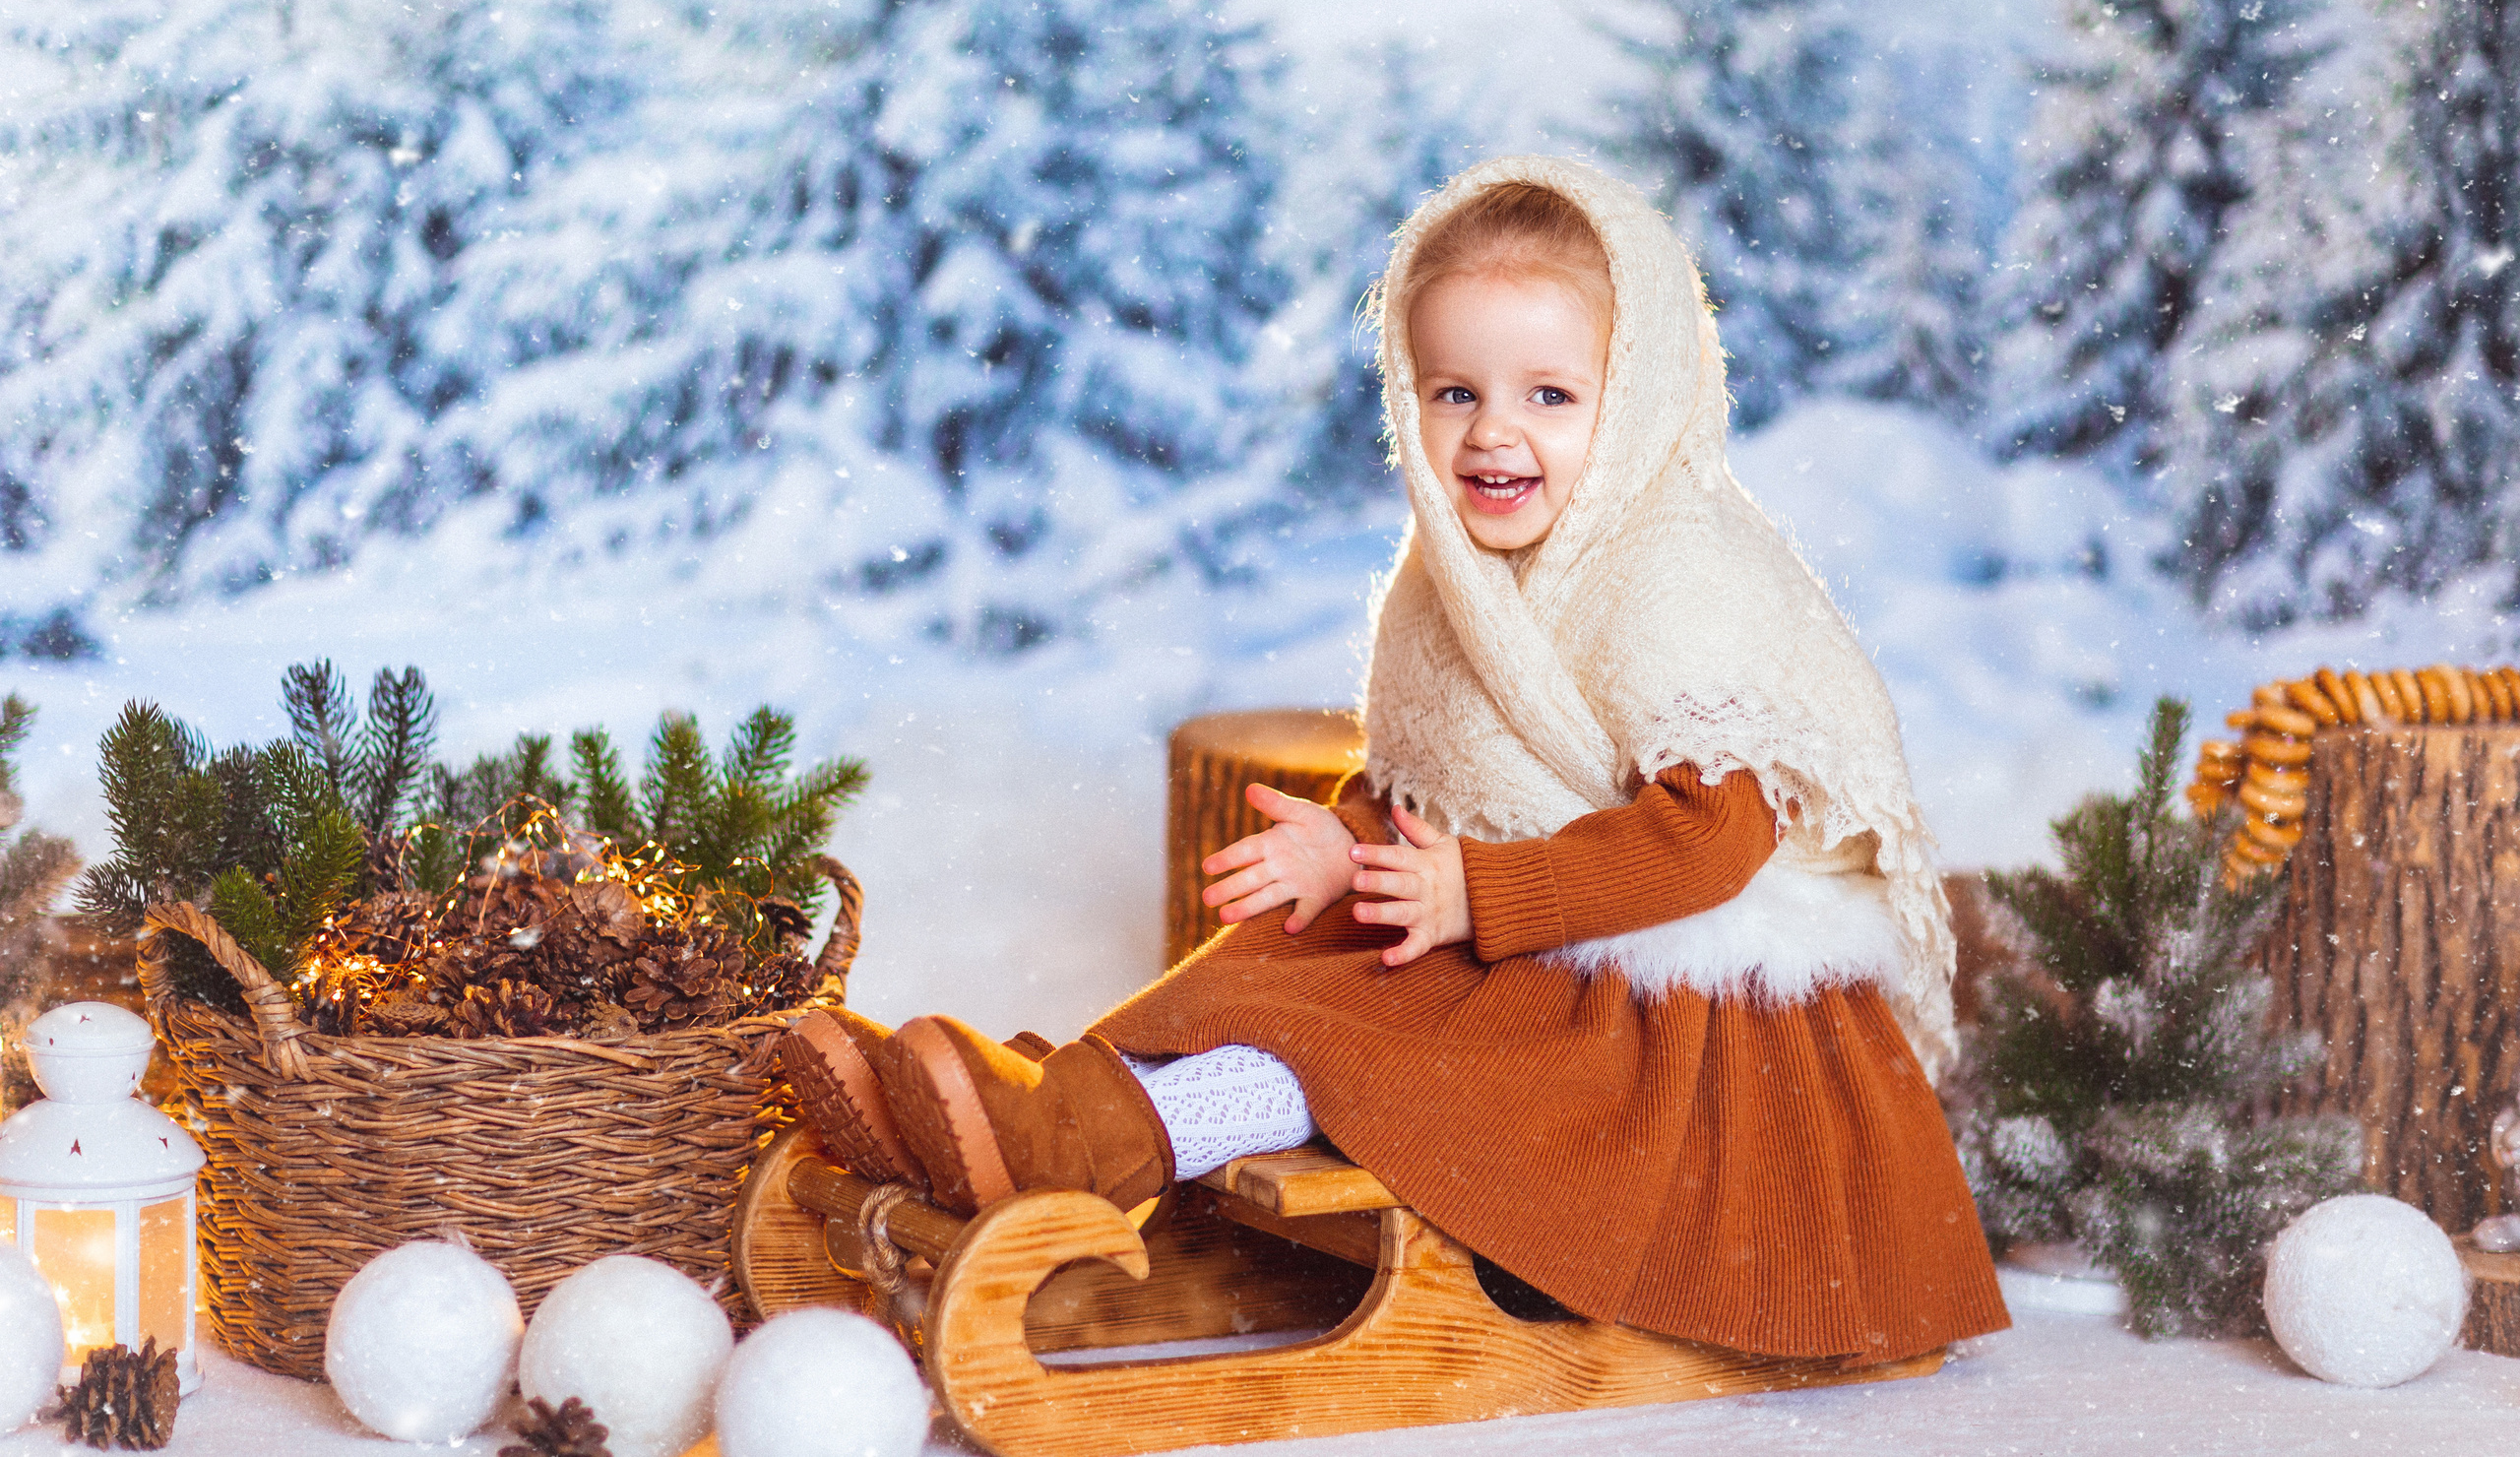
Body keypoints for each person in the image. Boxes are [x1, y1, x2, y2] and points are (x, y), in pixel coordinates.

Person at [787, 155, 2007, 1365]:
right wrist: (1348, 844)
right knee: (1284, 959)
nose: (1492, 436)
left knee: (1355, 1041)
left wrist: (1478, 893)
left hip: (1681, 1015)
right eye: (1453, 393)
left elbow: (1712, 841)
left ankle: (1088, 1140)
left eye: (1549, 396)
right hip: (1534, 929)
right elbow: (1439, 778)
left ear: (1636, 401)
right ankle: (1033, 1118)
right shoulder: (1451, 582)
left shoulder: (1682, 574)